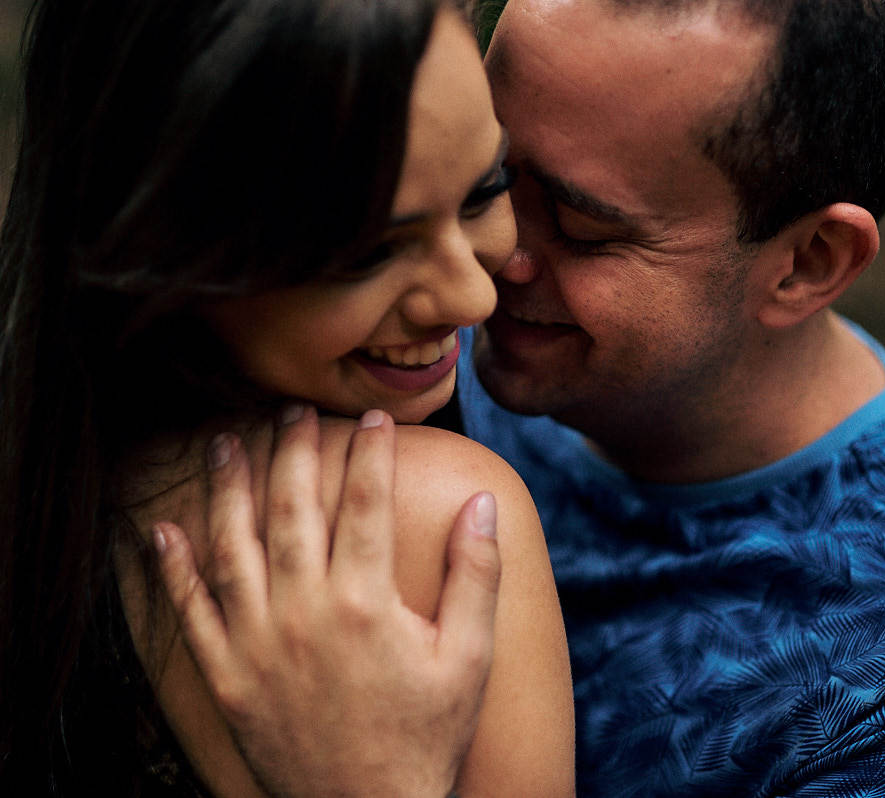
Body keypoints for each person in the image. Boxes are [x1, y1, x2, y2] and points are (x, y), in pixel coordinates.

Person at [450, 0, 885, 794]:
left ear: (809, 261)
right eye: (487, 178)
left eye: (579, 226)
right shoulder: (432, 309)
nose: (487, 252)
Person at [0, 0, 573, 795]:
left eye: (484, 190)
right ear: (162, 236)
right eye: (369, 250)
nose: (473, 297)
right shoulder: (446, 523)